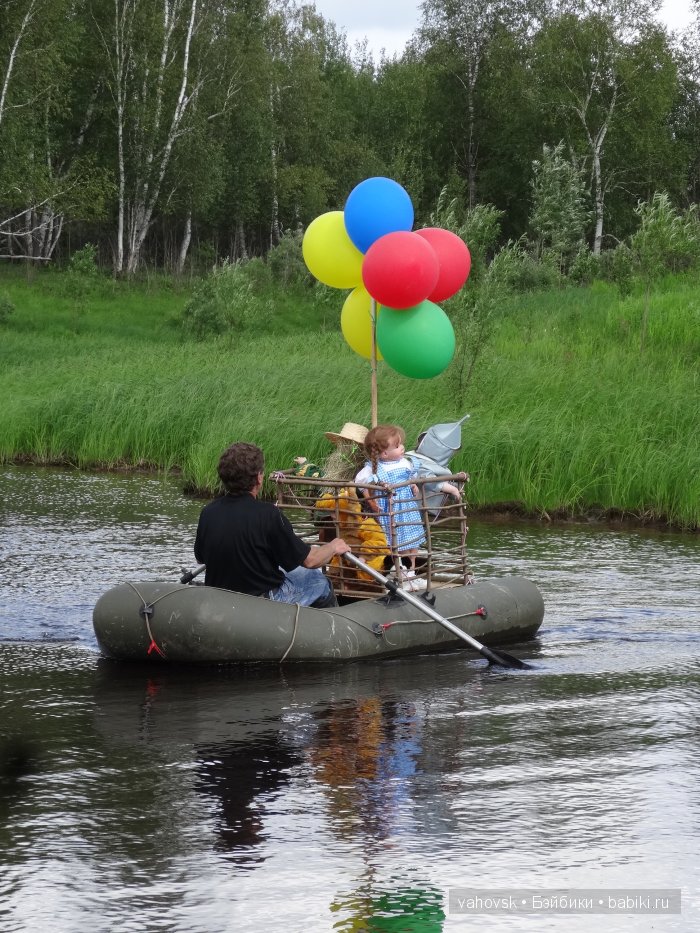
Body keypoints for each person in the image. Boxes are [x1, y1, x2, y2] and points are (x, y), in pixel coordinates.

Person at [194, 442, 350, 607]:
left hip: (219, 597)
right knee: (318, 580)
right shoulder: (269, 514)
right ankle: (333, 620)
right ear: (259, 478)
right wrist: (333, 546)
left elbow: (200, 558)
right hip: (261, 603)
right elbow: (310, 561)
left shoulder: (208, 512)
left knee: (292, 572)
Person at [354, 424, 426, 584]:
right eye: (398, 446)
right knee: (397, 543)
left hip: (407, 508)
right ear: (385, 453)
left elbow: (409, 479)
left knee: (413, 543)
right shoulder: (374, 469)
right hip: (391, 510)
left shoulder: (404, 462)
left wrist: (413, 485)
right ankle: (401, 574)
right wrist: (371, 501)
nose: (403, 447)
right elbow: (362, 485)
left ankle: (412, 572)